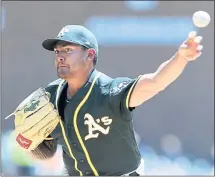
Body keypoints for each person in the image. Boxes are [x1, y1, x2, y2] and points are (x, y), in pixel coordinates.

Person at [23, 25, 203, 176]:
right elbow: (39, 149)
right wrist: (27, 141)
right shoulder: (49, 97)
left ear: (90, 55)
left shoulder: (109, 91)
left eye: (68, 49)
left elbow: (156, 82)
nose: (60, 56)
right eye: (57, 51)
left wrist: (181, 58)